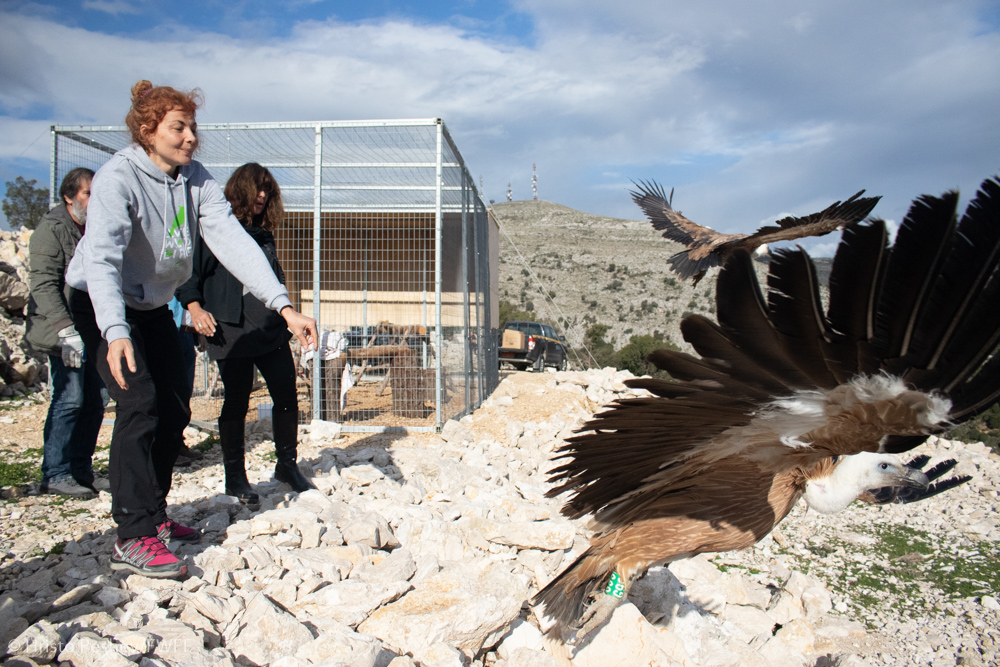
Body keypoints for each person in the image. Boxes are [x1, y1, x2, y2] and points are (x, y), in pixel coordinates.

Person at [64, 80, 317, 579]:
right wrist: (114, 329)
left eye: (192, 127)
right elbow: (103, 258)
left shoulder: (196, 180)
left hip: (153, 305)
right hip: (101, 298)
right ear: (147, 130)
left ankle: (154, 516)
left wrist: (284, 307)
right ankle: (133, 533)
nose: (190, 138)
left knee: (176, 402)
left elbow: (236, 244)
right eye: (178, 127)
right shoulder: (118, 179)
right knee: (140, 402)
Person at [176, 163, 315, 508]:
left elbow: (274, 279)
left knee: (286, 393)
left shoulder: (263, 234)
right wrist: (194, 309)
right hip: (229, 327)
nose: (264, 195)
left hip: (268, 327)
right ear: (241, 189)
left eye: (268, 190)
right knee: (236, 400)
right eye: (258, 188)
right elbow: (188, 275)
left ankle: (287, 465)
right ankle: (235, 475)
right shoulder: (214, 228)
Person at [25, 168, 108, 498]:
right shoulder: (51, 230)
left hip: (91, 328)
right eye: (88, 193)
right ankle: (55, 471)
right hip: (62, 330)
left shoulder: (95, 229)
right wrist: (65, 329)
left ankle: (80, 468)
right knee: (70, 398)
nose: (93, 200)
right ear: (69, 196)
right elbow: (43, 285)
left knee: (97, 398)